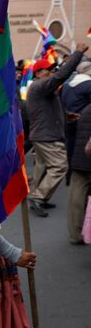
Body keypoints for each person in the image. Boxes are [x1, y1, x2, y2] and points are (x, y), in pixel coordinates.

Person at [26, 43, 88, 217]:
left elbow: (47, 110)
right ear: (38, 74)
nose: (52, 72)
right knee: (60, 166)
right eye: (48, 69)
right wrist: (77, 53)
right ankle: (38, 197)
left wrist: (67, 115)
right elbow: (62, 75)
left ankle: (38, 197)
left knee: (42, 167)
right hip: (47, 136)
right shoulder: (40, 86)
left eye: (52, 69)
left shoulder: (41, 89)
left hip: (42, 134)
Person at [61, 61, 91, 184]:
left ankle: (69, 176)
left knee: (70, 149)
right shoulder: (88, 85)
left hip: (69, 120)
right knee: (82, 153)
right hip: (83, 123)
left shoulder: (67, 84)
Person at [66, 104, 91, 244]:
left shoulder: (86, 109)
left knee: (77, 197)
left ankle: (75, 234)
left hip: (79, 158)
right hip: (88, 157)